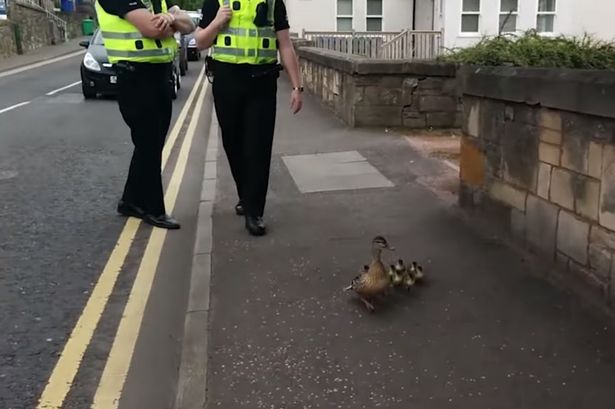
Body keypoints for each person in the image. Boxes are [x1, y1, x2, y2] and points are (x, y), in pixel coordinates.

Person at [195, 0, 303, 236]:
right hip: (227, 80)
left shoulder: (274, 2)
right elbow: (201, 41)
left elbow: (284, 44)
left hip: (262, 82)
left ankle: (254, 212)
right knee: (233, 144)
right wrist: (216, 22)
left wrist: (297, 87)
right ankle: (246, 195)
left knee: (258, 148)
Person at [95, 0, 195, 229]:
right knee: (149, 143)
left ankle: (130, 201)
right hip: (135, 77)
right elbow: (152, 29)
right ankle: (154, 209)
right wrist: (171, 21)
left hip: (158, 75)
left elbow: (189, 25)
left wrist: (171, 19)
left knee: (150, 143)